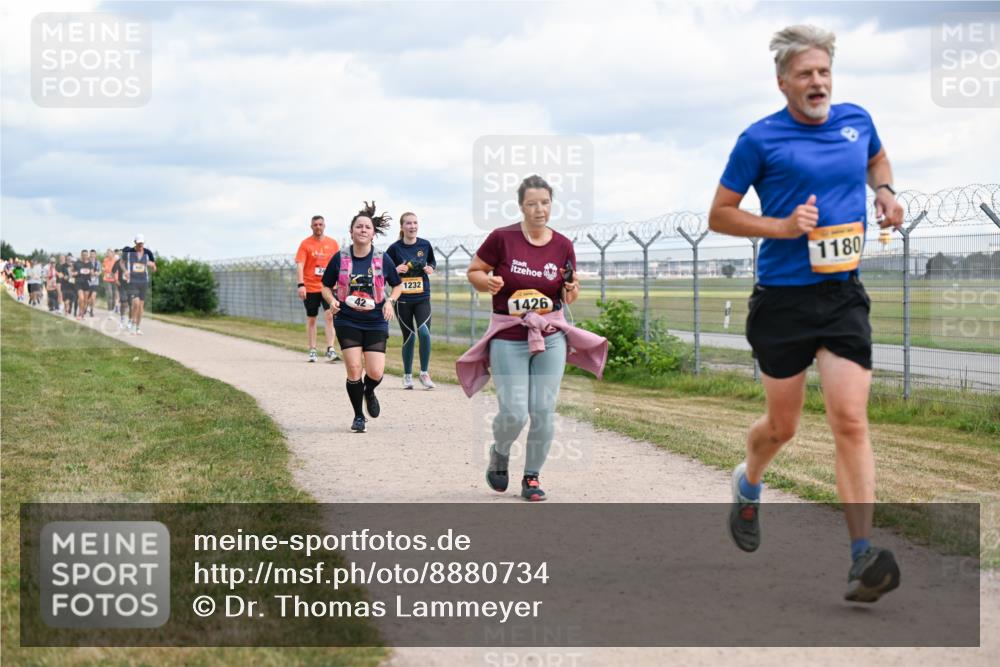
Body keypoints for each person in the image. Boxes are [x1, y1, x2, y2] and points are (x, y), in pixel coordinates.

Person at [708, 25, 904, 603]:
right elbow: (720, 213)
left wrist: (886, 192)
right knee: (783, 427)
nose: (817, 82)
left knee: (850, 420)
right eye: (805, 74)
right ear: (783, 83)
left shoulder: (856, 121)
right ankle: (748, 484)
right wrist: (782, 226)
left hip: (842, 295)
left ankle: (862, 555)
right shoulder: (759, 139)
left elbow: (877, 158)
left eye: (824, 72)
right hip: (783, 300)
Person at [461, 175, 607, 502]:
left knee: (543, 410)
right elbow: (475, 271)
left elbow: (569, 293)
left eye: (545, 203)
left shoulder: (563, 245)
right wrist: (487, 282)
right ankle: (500, 452)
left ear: (551, 204)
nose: (539, 209)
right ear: (521, 207)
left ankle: (531, 476)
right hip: (508, 335)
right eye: (532, 204)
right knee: (515, 412)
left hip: (550, 335)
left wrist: (571, 289)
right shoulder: (502, 238)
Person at [320, 202, 403, 433]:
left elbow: (397, 285)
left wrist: (390, 301)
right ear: (351, 231)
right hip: (347, 319)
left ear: (373, 233)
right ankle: (358, 416)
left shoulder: (382, 259)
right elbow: (325, 286)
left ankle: (369, 390)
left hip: (375, 320)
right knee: (354, 368)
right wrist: (332, 300)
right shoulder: (340, 258)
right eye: (359, 226)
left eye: (367, 227)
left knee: (375, 372)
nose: (363, 230)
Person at [386, 212, 437, 389]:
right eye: (408, 223)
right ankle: (407, 376)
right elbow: (384, 271)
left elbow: (432, 262)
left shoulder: (425, 244)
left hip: (422, 297)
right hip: (403, 299)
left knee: (424, 333)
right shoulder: (394, 248)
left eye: (415, 223)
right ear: (402, 227)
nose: (412, 226)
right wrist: (395, 269)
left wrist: (431, 268)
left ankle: (424, 373)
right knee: (409, 336)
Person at [295, 215, 340, 363]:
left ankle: (330, 349)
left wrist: (339, 282)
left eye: (320, 224)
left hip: (328, 287)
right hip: (310, 287)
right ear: (311, 227)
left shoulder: (332, 243)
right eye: (315, 225)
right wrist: (301, 285)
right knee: (312, 319)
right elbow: (300, 264)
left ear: (324, 226)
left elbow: (338, 264)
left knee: (330, 315)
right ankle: (312, 349)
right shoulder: (305, 244)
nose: (318, 227)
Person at [123, 234, 156, 334]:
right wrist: (125, 271)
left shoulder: (148, 252)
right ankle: (132, 324)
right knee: (136, 303)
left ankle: (137, 327)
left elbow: (153, 265)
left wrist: (153, 266)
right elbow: (121, 263)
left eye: (142, 243)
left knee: (141, 306)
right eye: (139, 243)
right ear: (135, 243)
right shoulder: (129, 252)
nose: (140, 245)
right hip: (133, 281)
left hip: (143, 281)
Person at [73, 250, 97, 320]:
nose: (85, 256)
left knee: (85, 300)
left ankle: (82, 314)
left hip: (87, 283)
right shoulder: (77, 263)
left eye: (86, 255)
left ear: (87, 255)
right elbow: (72, 272)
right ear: (81, 255)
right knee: (81, 298)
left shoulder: (90, 264)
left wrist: (93, 273)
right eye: (83, 255)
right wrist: (77, 272)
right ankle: (80, 313)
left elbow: (92, 273)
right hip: (79, 282)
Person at [102, 248, 119, 314]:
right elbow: (103, 268)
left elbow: (118, 270)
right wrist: (104, 269)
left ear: (113, 253)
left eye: (109, 252)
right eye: (107, 253)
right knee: (110, 294)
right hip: (107, 279)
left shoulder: (116, 260)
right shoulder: (105, 260)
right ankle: (110, 310)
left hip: (114, 280)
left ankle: (112, 308)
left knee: (114, 295)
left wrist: (117, 278)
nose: (108, 254)